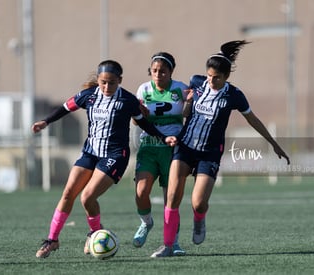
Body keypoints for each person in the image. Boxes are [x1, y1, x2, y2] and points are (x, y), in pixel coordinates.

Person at [150, 40, 290, 257]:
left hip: (210, 152)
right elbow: (185, 111)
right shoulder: (197, 83)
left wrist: (273, 143)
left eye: (217, 77)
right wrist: (186, 103)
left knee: (198, 202)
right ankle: (168, 245)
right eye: (209, 75)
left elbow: (253, 119)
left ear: (226, 78)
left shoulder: (234, 95)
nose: (211, 80)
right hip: (185, 147)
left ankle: (199, 219)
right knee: (172, 196)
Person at [33, 60, 177, 258]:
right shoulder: (88, 96)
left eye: (111, 83)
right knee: (68, 193)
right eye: (103, 82)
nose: (107, 87)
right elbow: (66, 108)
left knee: (87, 197)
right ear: (98, 81)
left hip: (115, 155)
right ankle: (52, 239)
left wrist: (163, 136)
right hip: (90, 152)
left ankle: (94, 233)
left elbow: (143, 123)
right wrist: (45, 121)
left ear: (120, 80)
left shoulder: (127, 100)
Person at [132, 52, 188, 256]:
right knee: (141, 191)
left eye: (163, 71)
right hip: (148, 147)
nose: (158, 74)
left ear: (171, 71)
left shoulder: (180, 89)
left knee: (170, 200)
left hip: (173, 150)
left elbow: (188, 114)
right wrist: (139, 115)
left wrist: (189, 102)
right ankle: (146, 223)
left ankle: (174, 242)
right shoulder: (143, 89)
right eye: (154, 70)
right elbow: (135, 120)